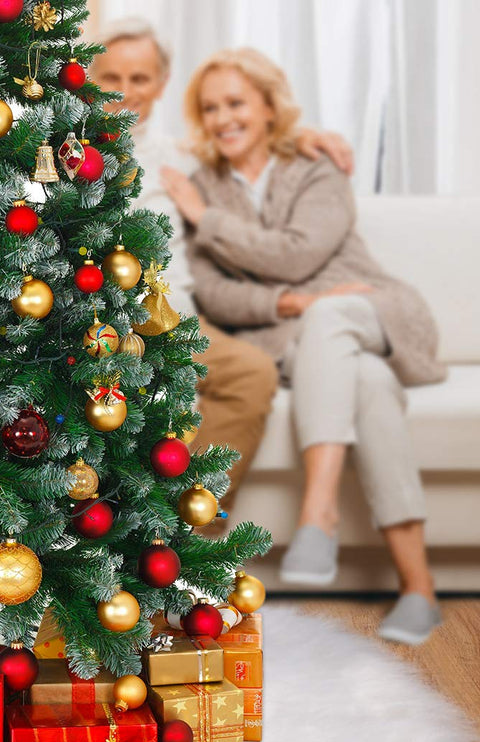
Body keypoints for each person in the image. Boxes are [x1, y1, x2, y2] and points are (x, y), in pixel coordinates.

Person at [164, 47, 446, 644]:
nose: (222, 118)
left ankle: (318, 509)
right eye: (210, 108)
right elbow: (213, 294)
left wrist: (208, 221)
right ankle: (419, 589)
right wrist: (292, 303)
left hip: (373, 310)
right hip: (300, 338)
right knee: (365, 381)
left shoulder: (318, 166)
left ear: (269, 106)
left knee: (334, 317)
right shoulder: (202, 183)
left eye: (236, 102)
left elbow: (299, 252)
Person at [91, 20, 352, 514]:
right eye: (112, 78)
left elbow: (248, 142)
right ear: (90, 78)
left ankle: (188, 525)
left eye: (141, 78)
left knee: (251, 373)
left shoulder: (184, 161)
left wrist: (311, 136)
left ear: (162, 85)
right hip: (91, 317)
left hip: (178, 318)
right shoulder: (61, 151)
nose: (126, 92)